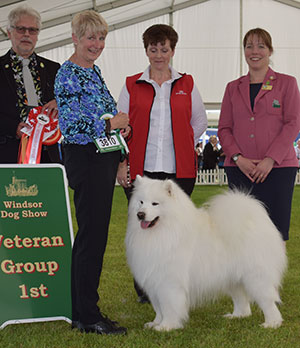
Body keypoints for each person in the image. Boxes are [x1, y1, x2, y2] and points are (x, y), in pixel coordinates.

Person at [117, 24, 207, 302]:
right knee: (142, 229)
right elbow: (120, 124)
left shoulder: (187, 83)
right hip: (140, 171)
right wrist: (122, 162)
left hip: (178, 172)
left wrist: (183, 142)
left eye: (164, 49)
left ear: (172, 51)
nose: (158, 55)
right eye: (153, 49)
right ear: (146, 51)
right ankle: (145, 289)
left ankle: (174, 284)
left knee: (176, 230)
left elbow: (200, 120)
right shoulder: (131, 83)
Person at [54, 10, 129, 335]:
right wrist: (112, 123)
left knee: (93, 237)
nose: (96, 44)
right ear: (75, 37)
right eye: (90, 37)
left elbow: (106, 111)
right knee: (91, 238)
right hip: (85, 158)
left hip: (101, 157)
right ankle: (87, 315)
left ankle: (84, 311)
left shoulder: (94, 71)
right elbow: (72, 126)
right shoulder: (68, 74)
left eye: (101, 38)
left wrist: (119, 138)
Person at [218, 27, 300, 242]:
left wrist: (270, 160)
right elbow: (224, 129)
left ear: (270, 51)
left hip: (279, 169)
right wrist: (238, 159)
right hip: (239, 170)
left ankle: (270, 276)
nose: (255, 51)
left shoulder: (287, 83)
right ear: (244, 51)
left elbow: (293, 123)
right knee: (241, 233)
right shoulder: (232, 88)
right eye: (249, 46)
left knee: (275, 231)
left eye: (261, 46)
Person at [0, 4, 61, 163]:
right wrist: (13, 127)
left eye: (32, 30)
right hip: (7, 154)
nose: (27, 34)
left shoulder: (54, 69)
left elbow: (70, 106)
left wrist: (60, 102)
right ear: (9, 32)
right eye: (21, 29)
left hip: (49, 155)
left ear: (38, 35)